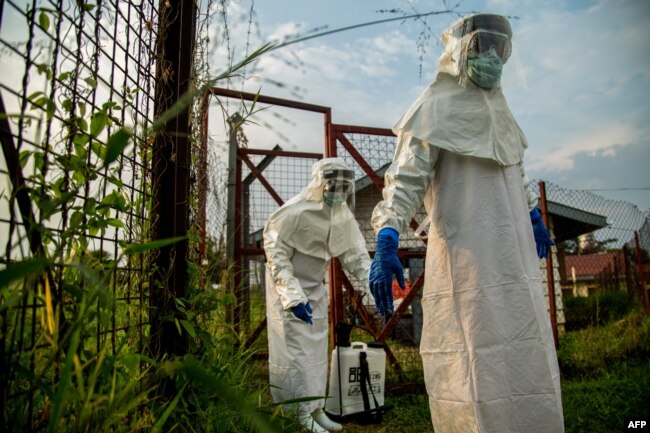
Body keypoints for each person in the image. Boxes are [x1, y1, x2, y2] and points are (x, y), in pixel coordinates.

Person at [369, 13, 565, 433]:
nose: (492, 57)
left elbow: (517, 171)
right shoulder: (433, 108)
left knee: (525, 349)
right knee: (472, 356)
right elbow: (403, 181)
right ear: (460, 49)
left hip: (515, 265)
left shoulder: (502, 111)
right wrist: (387, 234)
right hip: (467, 265)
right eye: (483, 46)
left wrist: (531, 212)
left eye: (500, 48)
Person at [263, 157, 372, 433]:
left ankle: (316, 408)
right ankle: (299, 412)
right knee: (295, 353)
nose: (340, 193)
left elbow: (357, 258)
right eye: (336, 186)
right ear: (321, 183)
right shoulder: (295, 213)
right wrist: (292, 296)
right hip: (289, 293)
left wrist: (373, 289)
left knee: (315, 354)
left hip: (316, 289)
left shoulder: (342, 217)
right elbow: (276, 254)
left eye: (346, 188)